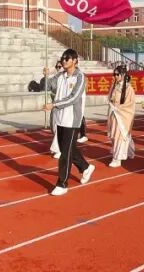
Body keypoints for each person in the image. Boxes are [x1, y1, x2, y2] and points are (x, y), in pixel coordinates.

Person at [41, 49, 93, 196]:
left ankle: (62, 183)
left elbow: (73, 98)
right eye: (62, 58)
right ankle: (85, 167)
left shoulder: (80, 77)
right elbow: (49, 86)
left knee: (65, 153)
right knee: (67, 149)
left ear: (75, 60)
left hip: (71, 120)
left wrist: (54, 104)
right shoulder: (60, 76)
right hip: (60, 118)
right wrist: (46, 76)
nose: (64, 61)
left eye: (67, 58)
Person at [107, 64, 137, 168]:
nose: (115, 76)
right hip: (114, 114)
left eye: (117, 74)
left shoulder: (129, 88)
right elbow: (110, 98)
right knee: (115, 134)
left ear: (123, 75)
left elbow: (130, 104)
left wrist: (118, 108)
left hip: (123, 115)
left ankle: (117, 158)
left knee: (119, 135)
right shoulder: (114, 86)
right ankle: (129, 151)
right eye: (114, 74)